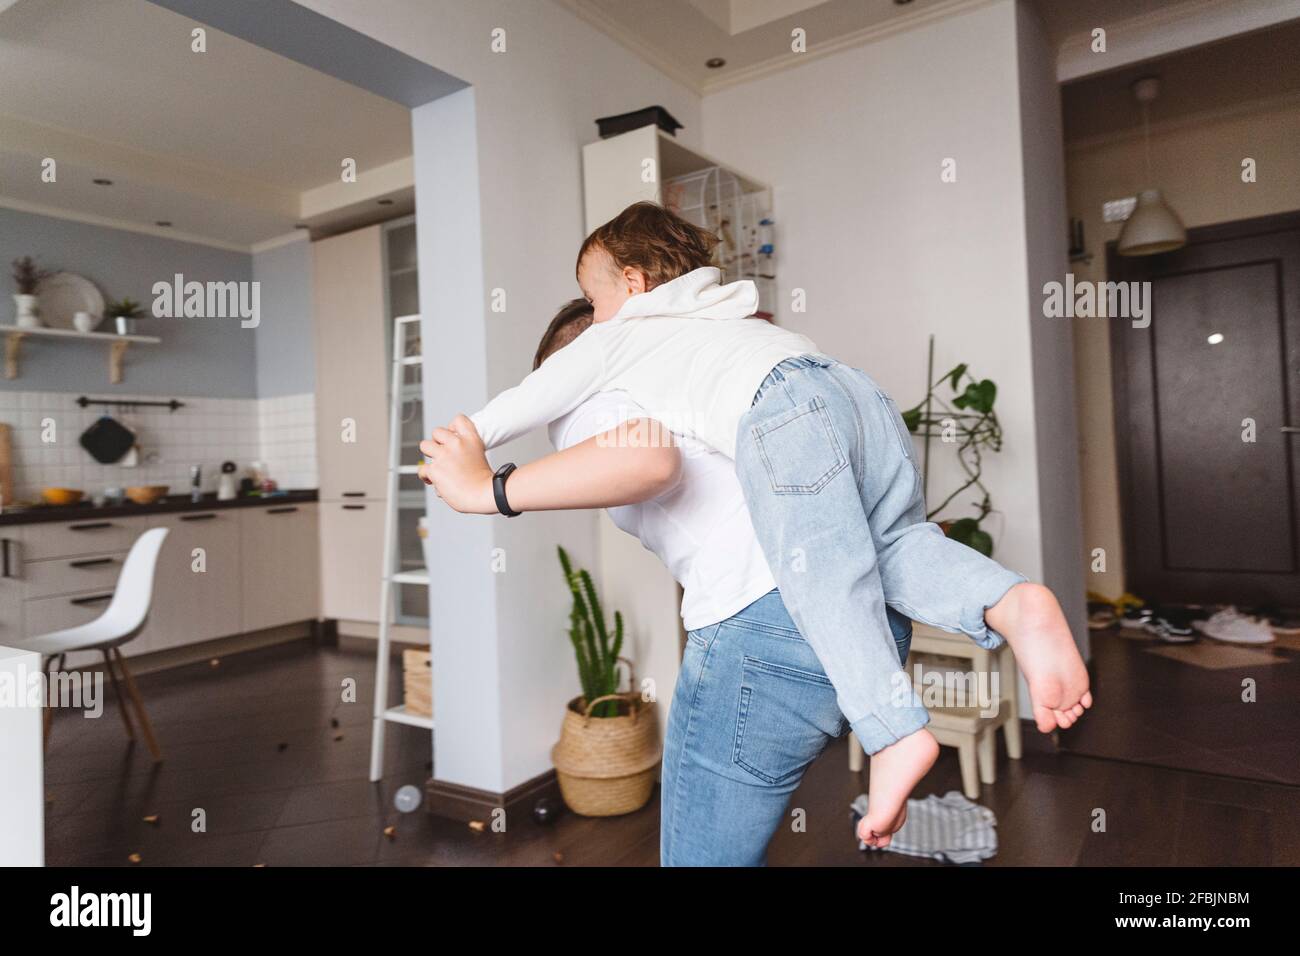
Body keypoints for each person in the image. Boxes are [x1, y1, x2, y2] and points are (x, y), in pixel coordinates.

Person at [421, 298, 1089, 860]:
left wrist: (492, 489)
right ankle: (1002, 599)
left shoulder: (598, 395)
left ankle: (897, 727)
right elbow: (861, 542)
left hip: (759, 635)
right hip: (854, 628)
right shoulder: (709, 388)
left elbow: (649, 460)